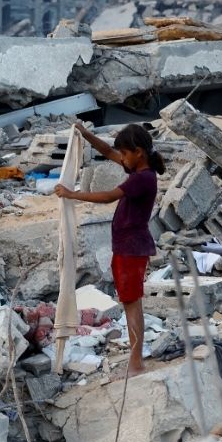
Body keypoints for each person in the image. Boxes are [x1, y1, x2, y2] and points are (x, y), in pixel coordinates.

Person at [55, 123, 165, 376]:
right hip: (127, 247)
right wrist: (85, 134)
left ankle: (136, 363)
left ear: (138, 152)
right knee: (130, 302)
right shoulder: (137, 167)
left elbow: (108, 197)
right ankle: (135, 359)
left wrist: (71, 195)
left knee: (131, 304)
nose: (122, 159)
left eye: (125, 154)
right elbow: (107, 151)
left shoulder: (143, 179)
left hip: (131, 248)